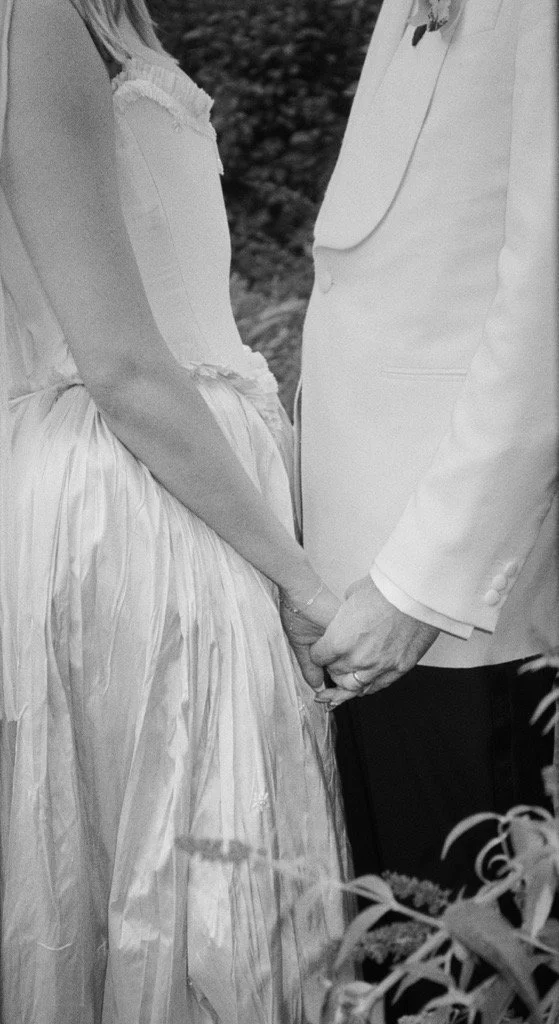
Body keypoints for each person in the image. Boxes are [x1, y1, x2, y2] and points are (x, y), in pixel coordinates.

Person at [0, 0, 351, 1020]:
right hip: (143, 497)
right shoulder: (38, 20)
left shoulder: (104, 19)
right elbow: (117, 359)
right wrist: (299, 576)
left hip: (185, 477)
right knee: (187, 874)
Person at [300, 0, 558, 895]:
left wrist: (425, 580)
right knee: (394, 941)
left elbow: (546, 300)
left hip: (454, 613)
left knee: (472, 962)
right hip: (361, 592)